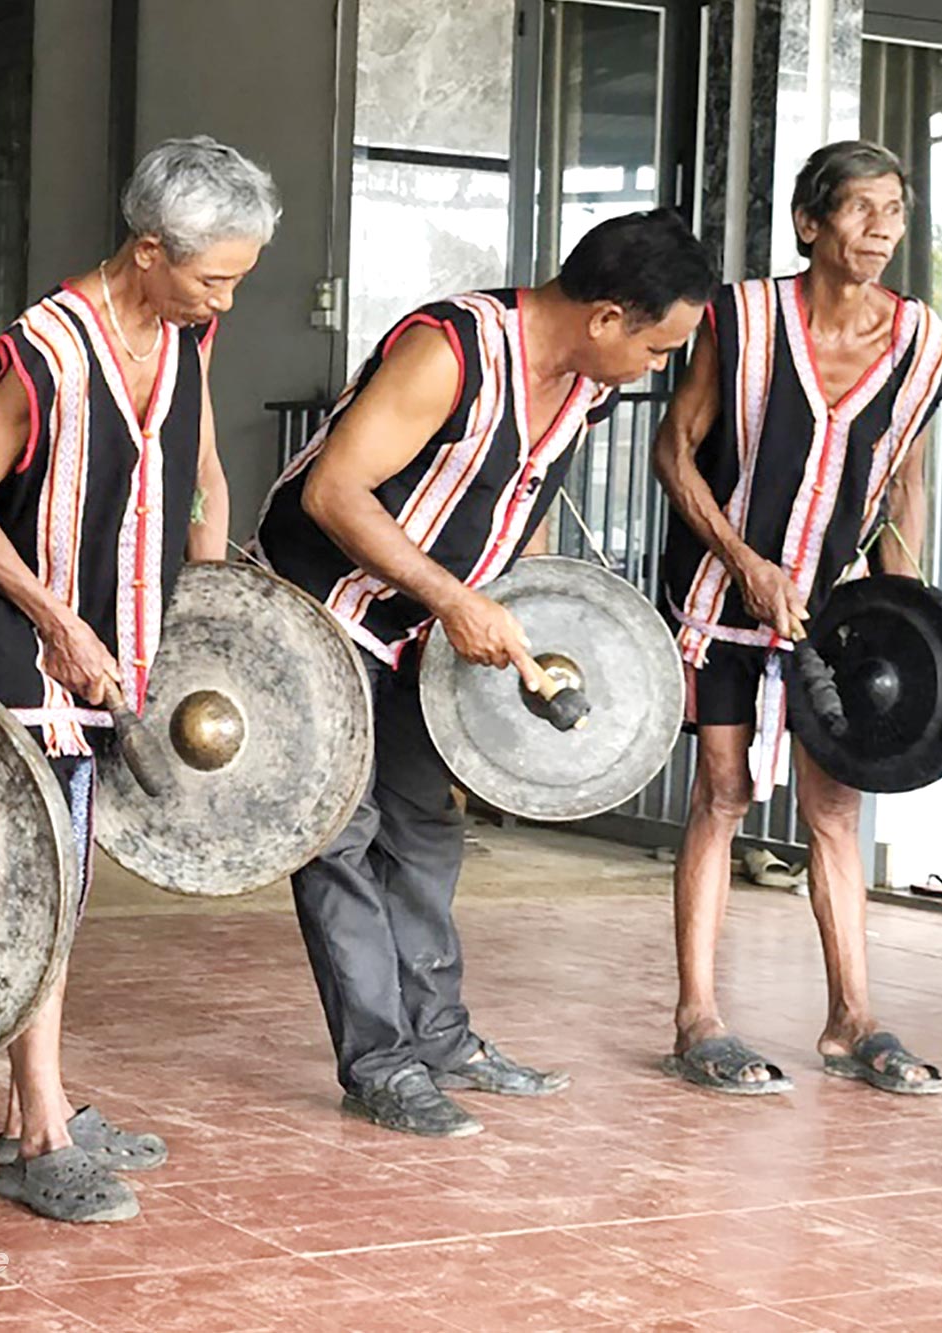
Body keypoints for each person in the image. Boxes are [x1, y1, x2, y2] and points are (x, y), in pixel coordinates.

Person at [255, 209, 716, 1138]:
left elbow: (519, 509)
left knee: (425, 829)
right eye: (659, 348)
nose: (658, 369)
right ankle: (379, 1063)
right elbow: (330, 492)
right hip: (320, 615)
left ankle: (440, 1037)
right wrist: (454, 599)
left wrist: (526, 623)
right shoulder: (450, 353)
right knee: (340, 837)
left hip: (428, 633)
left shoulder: (582, 386)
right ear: (608, 317)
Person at [0, 135, 275, 1221]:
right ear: (144, 250)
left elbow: (202, 465)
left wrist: (207, 600)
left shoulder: (184, 332)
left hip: (115, 645)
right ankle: (38, 1126)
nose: (220, 297)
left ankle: (38, 1107)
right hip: (17, 648)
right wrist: (55, 619)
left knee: (67, 890)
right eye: (210, 277)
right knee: (38, 887)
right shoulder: (40, 354)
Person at [654, 141, 942, 1097]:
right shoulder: (739, 319)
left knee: (836, 807)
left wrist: (906, 610)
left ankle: (852, 1019)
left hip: (842, 614)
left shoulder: (921, 344)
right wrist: (742, 561)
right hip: (723, 593)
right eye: (861, 209)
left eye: (895, 213)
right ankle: (697, 1014)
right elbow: (677, 449)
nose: (880, 230)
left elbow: (903, 478)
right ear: (809, 222)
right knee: (722, 792)